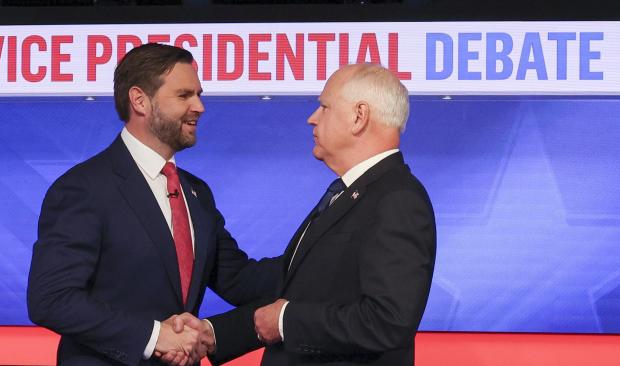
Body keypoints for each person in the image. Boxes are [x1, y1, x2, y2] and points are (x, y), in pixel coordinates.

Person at [27, 43, 280, 366]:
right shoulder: (84, 188)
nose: (199, 106)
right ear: (140, 100)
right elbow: (52, 299)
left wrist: (316, 255)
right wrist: (153, 336)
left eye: (198, 94)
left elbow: (239, 279)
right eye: (184, 95)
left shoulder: (197, 193)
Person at [173, 63, 436, 366]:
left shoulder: (397, 199)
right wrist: (214, 332)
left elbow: (387, 322)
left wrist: (286, 320)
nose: (312, 118)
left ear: (358, 116)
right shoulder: (351, 193)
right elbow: (294, 288)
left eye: (324, 107)